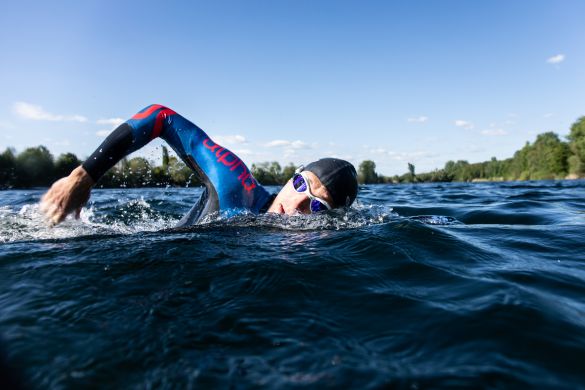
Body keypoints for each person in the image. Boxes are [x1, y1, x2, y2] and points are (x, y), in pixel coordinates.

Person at [40, 104, 358, 226]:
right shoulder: (234, 183)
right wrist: (84, 174)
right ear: (291, 178)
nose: (297, 203)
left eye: (316, 207)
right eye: (301, 186)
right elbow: (160, 116)